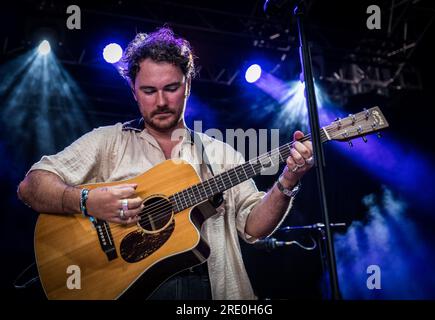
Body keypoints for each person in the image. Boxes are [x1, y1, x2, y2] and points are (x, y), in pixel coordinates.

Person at [17, 27, 314, 300]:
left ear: (187, 86)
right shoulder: (108, 142)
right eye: (148, 91)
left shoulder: (221, 155)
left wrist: (288, 180)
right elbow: (32, 186)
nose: (160, 101)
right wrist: (85, 201)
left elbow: (254, 227)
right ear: (134, 91)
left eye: (171, 88)